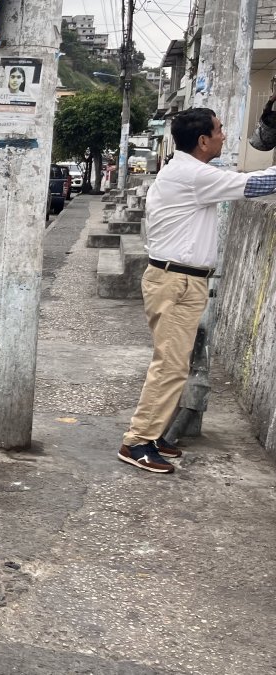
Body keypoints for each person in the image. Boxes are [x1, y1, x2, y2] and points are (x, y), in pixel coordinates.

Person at [119, 107, 276, 474]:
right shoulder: (193, 175)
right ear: (203, 140)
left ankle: (153, 434)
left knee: (174, 363)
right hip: (176, 282)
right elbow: (253, 186)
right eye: (220, 131)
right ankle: (137, 441)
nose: (224, 136)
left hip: (180, 280)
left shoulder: (187, 172)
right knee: (170, 366)